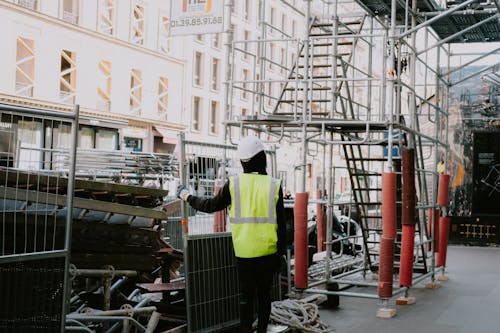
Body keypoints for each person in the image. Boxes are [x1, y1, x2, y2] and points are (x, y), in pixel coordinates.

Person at [176, 135, 286, 333]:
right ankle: (261, 330)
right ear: (262, 158)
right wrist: (281, 254)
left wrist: (186, 196)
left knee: (246, 297)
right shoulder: (274, 185)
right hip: (268, 253)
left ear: (243, 161)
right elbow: (282, 225)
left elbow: (209, 205)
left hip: (244, 254)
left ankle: (245, 330)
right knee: (264, 297)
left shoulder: (234, 184)